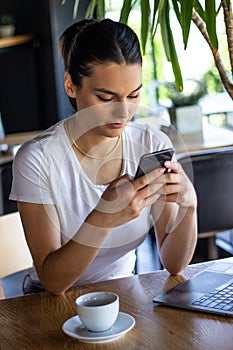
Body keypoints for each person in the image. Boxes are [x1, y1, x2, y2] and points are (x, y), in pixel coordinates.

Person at [9, 18, 197, 295]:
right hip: (49, 304)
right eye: (106, 98)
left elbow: (173, 264)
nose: (123, 112)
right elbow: (54, 281)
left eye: (133, 95)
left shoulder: (149, 144)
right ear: (71, 85)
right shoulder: (37, 159)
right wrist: (102, 217)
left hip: (123, 292)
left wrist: (189, 207)